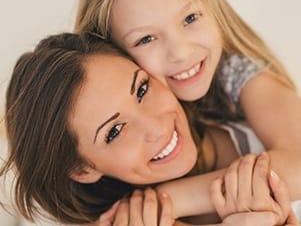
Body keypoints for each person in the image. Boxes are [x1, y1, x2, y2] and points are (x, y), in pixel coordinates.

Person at [0, 32, 297, 225]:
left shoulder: (236, 88)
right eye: (114, 131)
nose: (156, 125)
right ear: (82, 168)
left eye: (141, 89)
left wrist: (171, 199)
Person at [74, 0, 301, 214]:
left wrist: (170, 201)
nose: (181, 52)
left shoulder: (234, 73)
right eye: (146, 39)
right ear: (113, 55)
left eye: (190, 18)